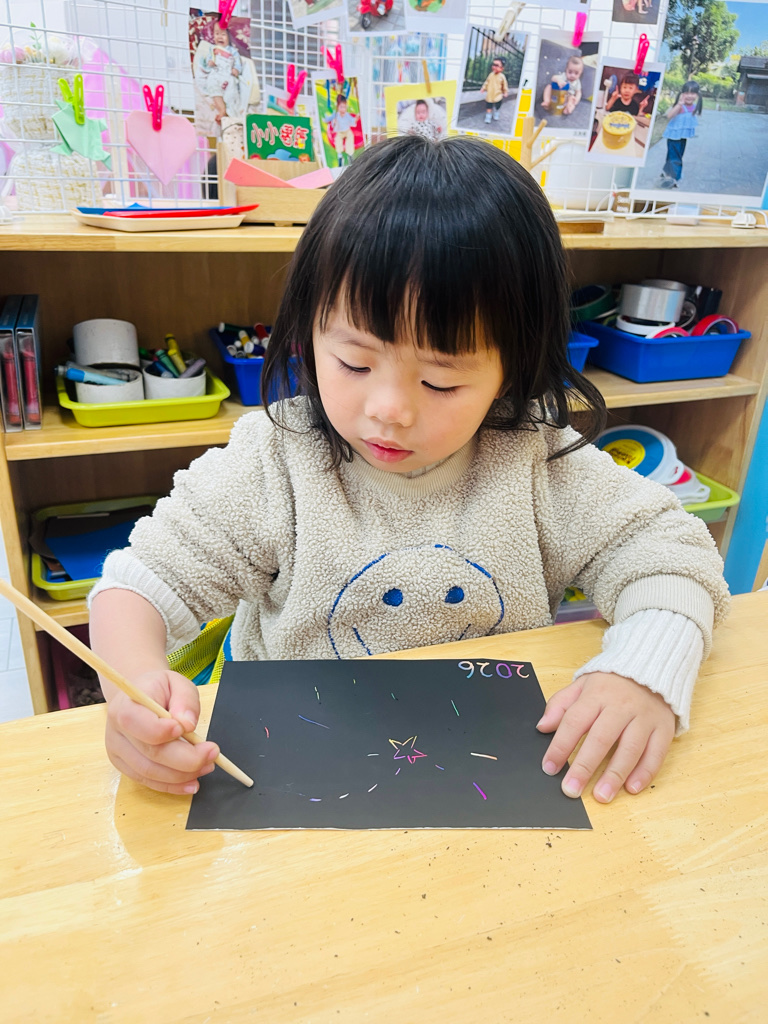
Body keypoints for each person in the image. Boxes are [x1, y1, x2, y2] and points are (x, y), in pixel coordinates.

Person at [90, 135, 729, 805]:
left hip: (489, 774)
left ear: (513, 368)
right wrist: (134, 691)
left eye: (441, 381)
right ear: (309, 330)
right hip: (292, 775)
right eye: (354, 363)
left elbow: (672, 554)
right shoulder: (275, 460)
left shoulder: (534, 457)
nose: (388, 410)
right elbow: (139, 586)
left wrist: (642, 671)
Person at [198, 19, 242, 124]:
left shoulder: (232, 51)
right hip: (216, 73)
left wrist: (236, 69)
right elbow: (208, 60)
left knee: (231, 90)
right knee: (212, 86)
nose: (220, 37)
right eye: (217, 34)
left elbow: (237, 62)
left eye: (223, 34)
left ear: (229, 37)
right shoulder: (212, 49)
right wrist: (210, 63)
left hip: (228, 74)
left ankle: (230, 111)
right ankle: (222, 110)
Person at [659, 81, 701, 189]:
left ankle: (666, 172)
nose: (689, 96)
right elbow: (669, 116)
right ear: (682, 94)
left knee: (675, 155)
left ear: (697, 95)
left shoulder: (693, 106)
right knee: (675, 157)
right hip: (674, 136)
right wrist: (679, 104)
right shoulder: (680, 106)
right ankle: (674, 178)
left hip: (682, 136)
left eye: (693, 93)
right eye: (687, 93)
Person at [325, 94, 359, 167]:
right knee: (338, 140)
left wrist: (356, 119)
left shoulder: (347, 115)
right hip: (340, 132)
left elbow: (352, 121)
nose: (343, 109)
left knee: (350, 138)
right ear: (338, 107)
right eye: (341, 107)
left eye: (344, 107)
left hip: (347, 131)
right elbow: (330, 122)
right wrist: (333, 122)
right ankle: (340, 156)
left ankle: (350, 155)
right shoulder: (336, 115)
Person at [480, 57, 509, 124]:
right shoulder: (491, 75)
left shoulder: (502, 76)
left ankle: (496, 112)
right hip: (490, 95)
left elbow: (505, 85)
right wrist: (483, 88)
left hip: (498, 95)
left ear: (502, 68)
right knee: (489, 106)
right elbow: (486, 82)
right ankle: (488, 116)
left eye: (496, 65)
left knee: (497, 106)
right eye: (493, 65)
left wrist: (505, 92)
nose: (494, 67)